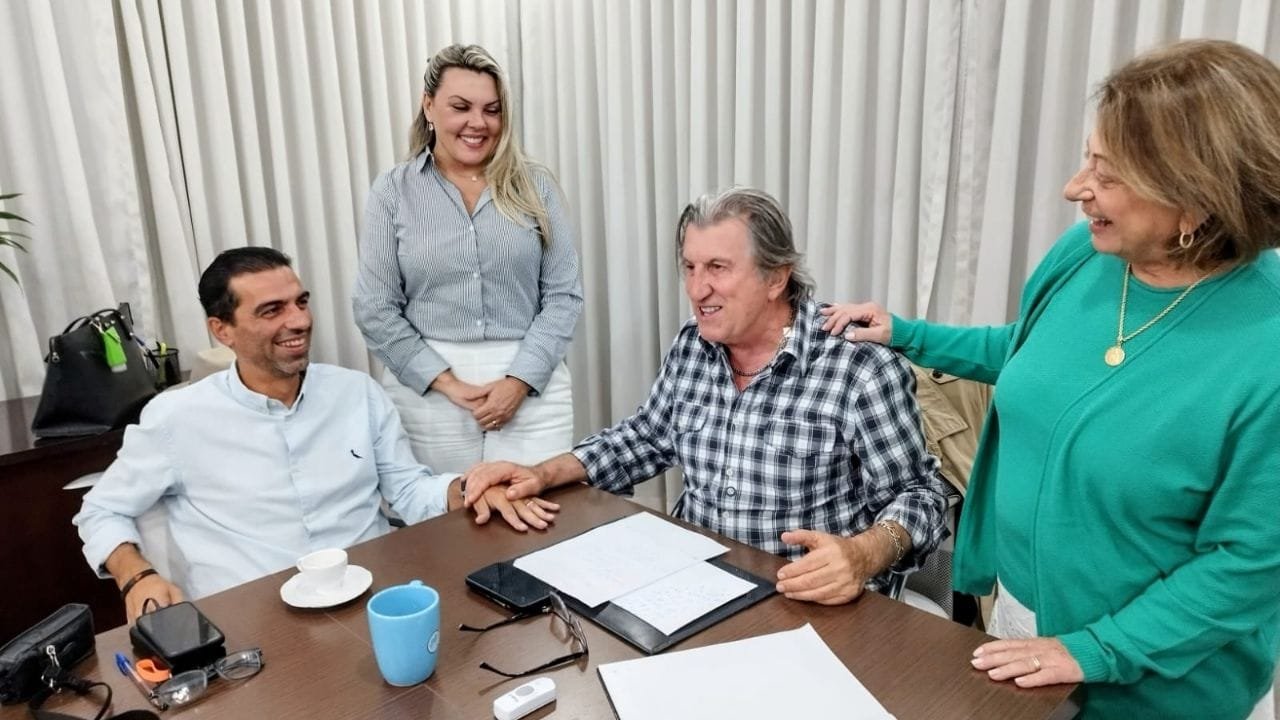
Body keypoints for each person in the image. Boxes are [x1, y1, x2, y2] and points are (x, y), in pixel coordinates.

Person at [822, 40, 1280, 719]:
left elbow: (1250, 565)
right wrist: (909, 333)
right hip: (1022, 620)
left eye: (1107, 173)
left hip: (1157, 680)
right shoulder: (1087, 253)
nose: (1076, 187)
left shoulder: (1264, 349)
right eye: (1088, 158)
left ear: (1194, 202)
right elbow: (1030, 352)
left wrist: (1094, 649)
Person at [463, 187, 949, 605]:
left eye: (718, 267)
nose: (698, 289)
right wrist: (541, 473)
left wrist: (863, 554)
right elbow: (646, 438)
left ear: (776, 277)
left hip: (804, 597)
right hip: (695, 583)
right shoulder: (692, 344)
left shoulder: (859, 367)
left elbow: (920, 495)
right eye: (690, 267)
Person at [75, 247, 557, 621]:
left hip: (374, 597)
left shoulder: (355, 392)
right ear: (222, 330)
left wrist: (469, 488)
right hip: (252, 618)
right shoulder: (176, 418)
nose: (299, 321)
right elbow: (102, 510)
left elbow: (408, 489)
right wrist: (136, 577)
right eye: (272, 310)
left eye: (300, 302)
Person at [353, 44, 583, 474]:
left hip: (531, 384)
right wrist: (447, 383)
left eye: (492, 110)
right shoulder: (393, 191)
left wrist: (518, 382)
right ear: (429, 106)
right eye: (461, 107)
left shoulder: (536, 186)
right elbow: (374, 307)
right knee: (444, 514)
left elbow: (563, 296)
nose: (478, 123)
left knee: (536, 509)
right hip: (428, 391)